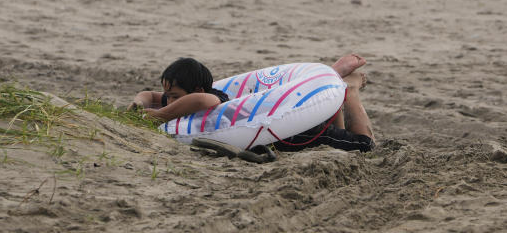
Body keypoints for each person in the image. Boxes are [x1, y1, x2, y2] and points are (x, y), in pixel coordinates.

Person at [129, 54, 374, 152]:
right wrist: (138, 103)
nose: (168, 101)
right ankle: (333, 81)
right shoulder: (180, 101)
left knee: (364, 145)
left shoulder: (212, 98)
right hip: (281, 115)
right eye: (168, 97)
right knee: (330, 116)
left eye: (174, 96)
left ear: (196, 89)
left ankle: (348, 89)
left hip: (290, 131)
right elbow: (149, 96)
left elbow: (203, 100)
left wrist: (160, 116)